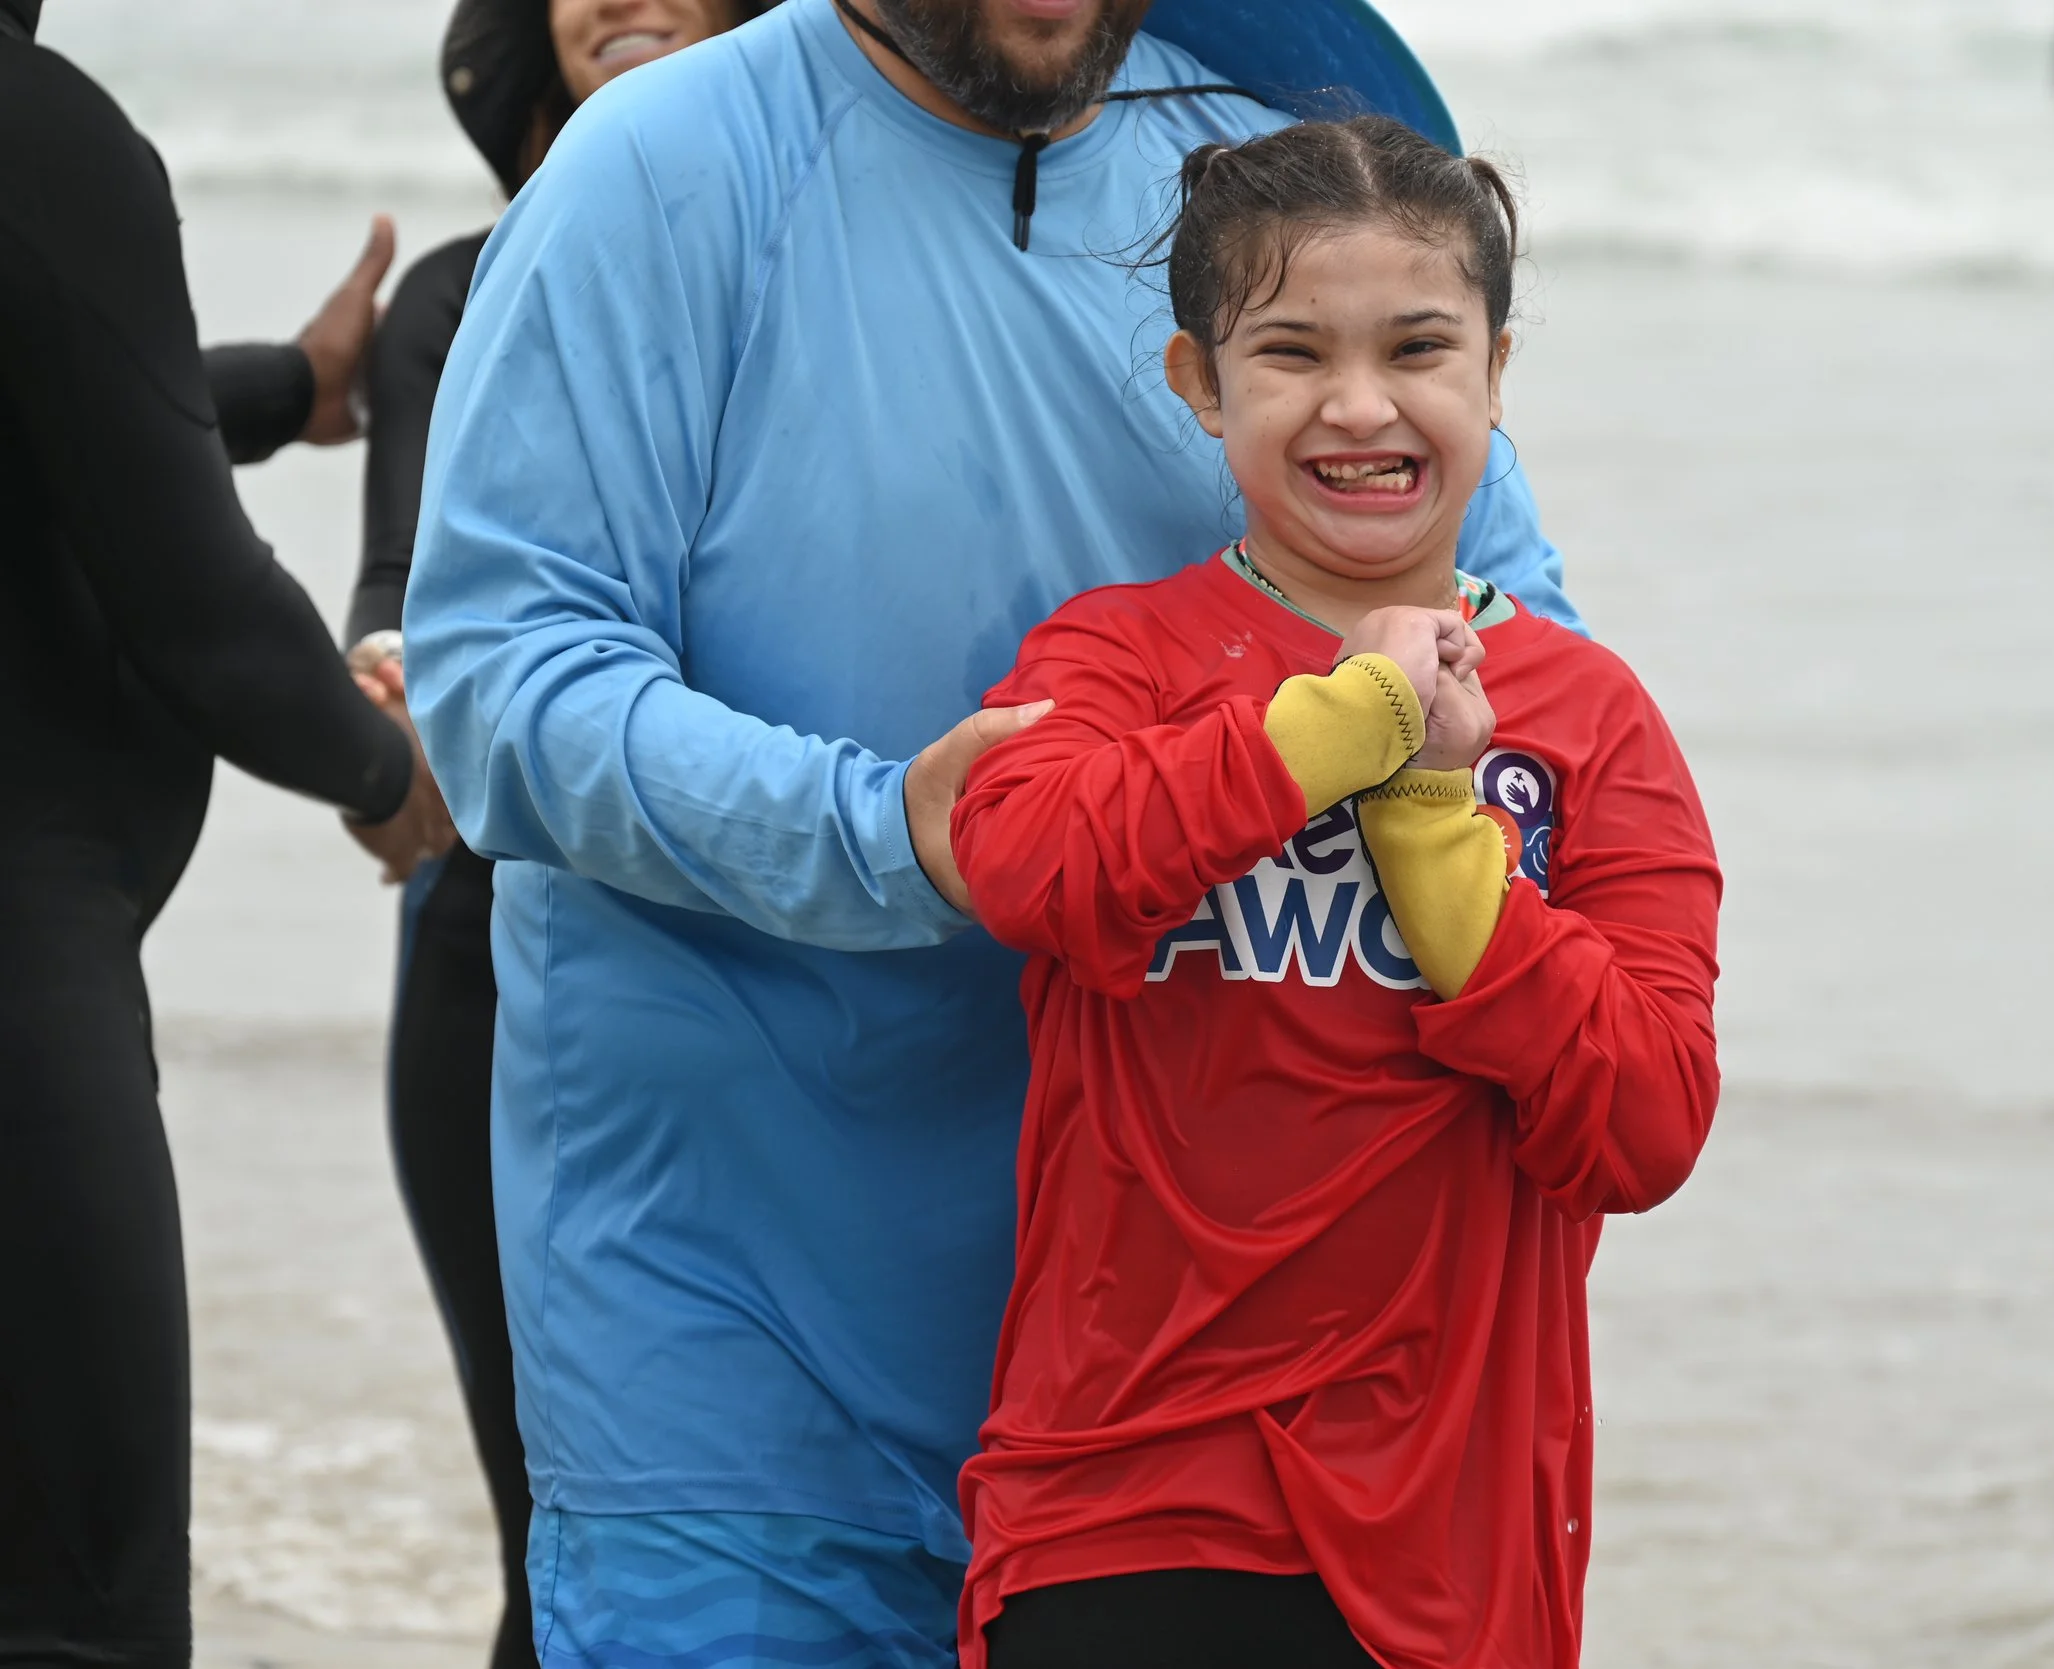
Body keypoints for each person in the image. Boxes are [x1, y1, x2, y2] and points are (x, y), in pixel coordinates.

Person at [404, 0, 1578, 1662]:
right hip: (737, 1342)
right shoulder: (656, 170)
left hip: (1193, 1395)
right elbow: (502, 684)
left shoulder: (1263, 163)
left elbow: (1512, 636)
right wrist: (884, 835)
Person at [950, 116, 1722, 1669]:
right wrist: (1339, 726)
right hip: (1126, 1494)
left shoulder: (1590, 717)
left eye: (1420, 347)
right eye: (1292, 352)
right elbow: (1029, 862)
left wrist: (1440, 830)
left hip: (1453, 1537)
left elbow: (1644, 1119)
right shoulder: (1119, 657)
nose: (1361, 406)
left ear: (1497, 373)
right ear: (1198, 381)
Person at [0, 3, 456, 1663]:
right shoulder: (35, 132)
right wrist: (383, 768)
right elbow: (198, 605)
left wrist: (275, 389)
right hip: (18, 989)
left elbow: (61, 407)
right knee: (79, 1598)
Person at [354, 4, 767, 1665]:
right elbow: (405, 603)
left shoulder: (830, 262)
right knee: (564, 1538)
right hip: (499, 972)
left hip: (818, 970)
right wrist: (380, 719)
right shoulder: (456, 295)